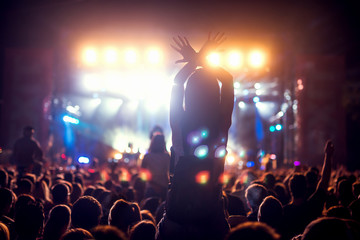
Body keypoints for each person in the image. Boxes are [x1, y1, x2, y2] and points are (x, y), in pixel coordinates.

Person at [158, 33, 234, 240]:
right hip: (209, 211)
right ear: (215, 97)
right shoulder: (221, 125)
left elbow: (177, 83)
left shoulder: (179, 123)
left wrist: (196, 60)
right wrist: (202, 59)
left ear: (188, 96)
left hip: (177, 212)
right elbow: (227, 80)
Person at [141, 133, 170, 201]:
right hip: (163, 186)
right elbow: (170, 172)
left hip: (151, 187)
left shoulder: (147, 156)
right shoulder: (167, 156)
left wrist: (153, 184)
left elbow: (143, 173)